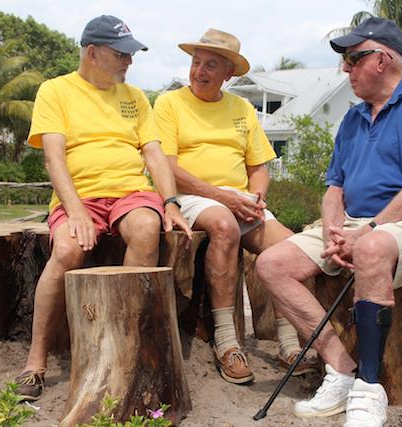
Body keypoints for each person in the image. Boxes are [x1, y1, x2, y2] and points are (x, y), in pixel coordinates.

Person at [255, 17, 402, 427]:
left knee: (372, 247)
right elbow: (334, 189)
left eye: (352, 58)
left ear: (382, 59)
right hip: (353, 222)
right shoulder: (351, 118)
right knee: (271, 264)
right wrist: (334, 231)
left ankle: (369, 385)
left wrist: (368, 230)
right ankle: (342, 368)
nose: (345, 68)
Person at [15, 15, 191, 401]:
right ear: (92, 53)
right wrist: (75, 210)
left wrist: (171, 202)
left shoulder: (136, 97)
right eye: (121, 54)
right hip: (79, 195)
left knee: (146, 228)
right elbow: (53, 158)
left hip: (130, 192)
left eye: (131, 54)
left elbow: (154, 154)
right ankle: (35, 362)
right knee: (66, 251)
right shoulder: (55, 90)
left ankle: (123, 341)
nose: (129, 61)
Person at [154, 28, 316, 385]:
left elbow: (258, 168)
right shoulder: (169, 104)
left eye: (210, 65)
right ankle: (227, 342)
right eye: (196, 62)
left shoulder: (242, 108)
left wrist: (256, 198)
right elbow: (168, 167)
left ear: (229, 73)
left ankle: (289, 342)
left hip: (237, 198)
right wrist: (222, 197)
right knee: (224, 226)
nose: (199, 71)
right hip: (190, 196)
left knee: (290, 247)